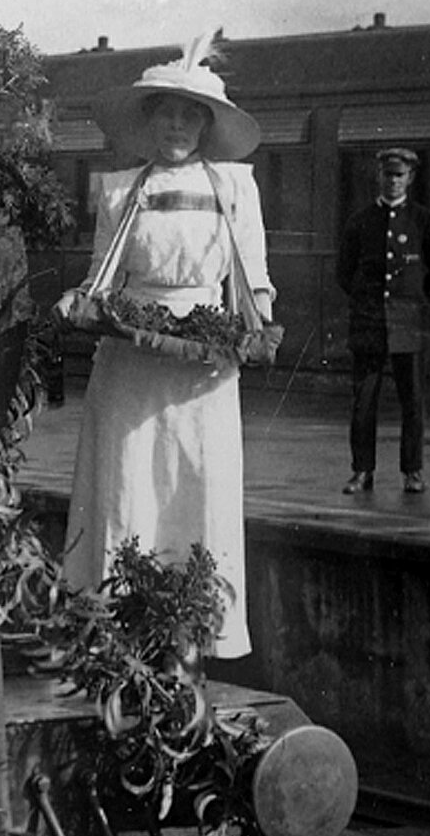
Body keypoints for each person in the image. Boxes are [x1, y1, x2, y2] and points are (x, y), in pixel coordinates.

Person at [55, 35, 273, 661]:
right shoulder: (122, 190)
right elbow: (103, 276)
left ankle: (191, 633)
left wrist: (253, 328)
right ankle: (119, 628)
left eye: (190, 114)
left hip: (204, 368)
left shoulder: (234, 187)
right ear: (148, 120)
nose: (176, 124)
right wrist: (81, 303)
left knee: (194, 486)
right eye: (165, 112)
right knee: (127, 487)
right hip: (130, 364)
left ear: (206, 124)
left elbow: (252, 277)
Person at [336, 147, 430, 496]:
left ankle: (412, 472)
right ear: (379, 176)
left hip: (407, 321)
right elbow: (344, 272)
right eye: (388, 174)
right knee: (364, 401)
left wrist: (417, 300)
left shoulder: (423, 220)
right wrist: (366, 303)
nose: (392, 181)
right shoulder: (360, 221)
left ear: (410, 178)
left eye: (399, 175)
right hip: (369, 322)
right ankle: (361, 471)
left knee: (412, 400)